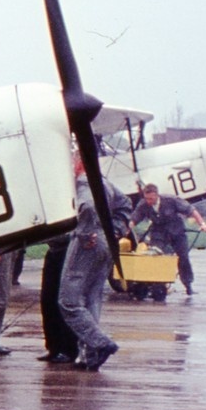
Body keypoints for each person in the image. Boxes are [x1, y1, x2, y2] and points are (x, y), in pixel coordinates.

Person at [59, 154, 133, 371]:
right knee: (92, 297)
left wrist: (84, 233)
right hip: (106, 242)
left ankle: (100, 344)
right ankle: (89, 354)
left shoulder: (83, 182)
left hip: (87, 244)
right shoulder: (106, 183)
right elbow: (126, 204)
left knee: (68, 301)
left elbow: (88, 207)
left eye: (73, 160)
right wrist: (116, 230)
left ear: (79, 164)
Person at [130, 183, 206, 296]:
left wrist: (202, 224)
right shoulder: (143, 204)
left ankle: (188, 284)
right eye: (146, 198)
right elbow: (135, 217)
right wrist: (128, 227)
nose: (149, 201)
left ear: (157, 195)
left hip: (177, 232)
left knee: (183, 257)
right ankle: (155, 283)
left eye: (151, 198)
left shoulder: (171, 200)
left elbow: (191, 210)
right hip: (159, 233)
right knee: (154, 255)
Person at [37, 232, 79, 363]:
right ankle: (53, 347)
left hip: (68, 251)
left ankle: (69, 349)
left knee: (63, 300)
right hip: (54, 249)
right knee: (48, 300)